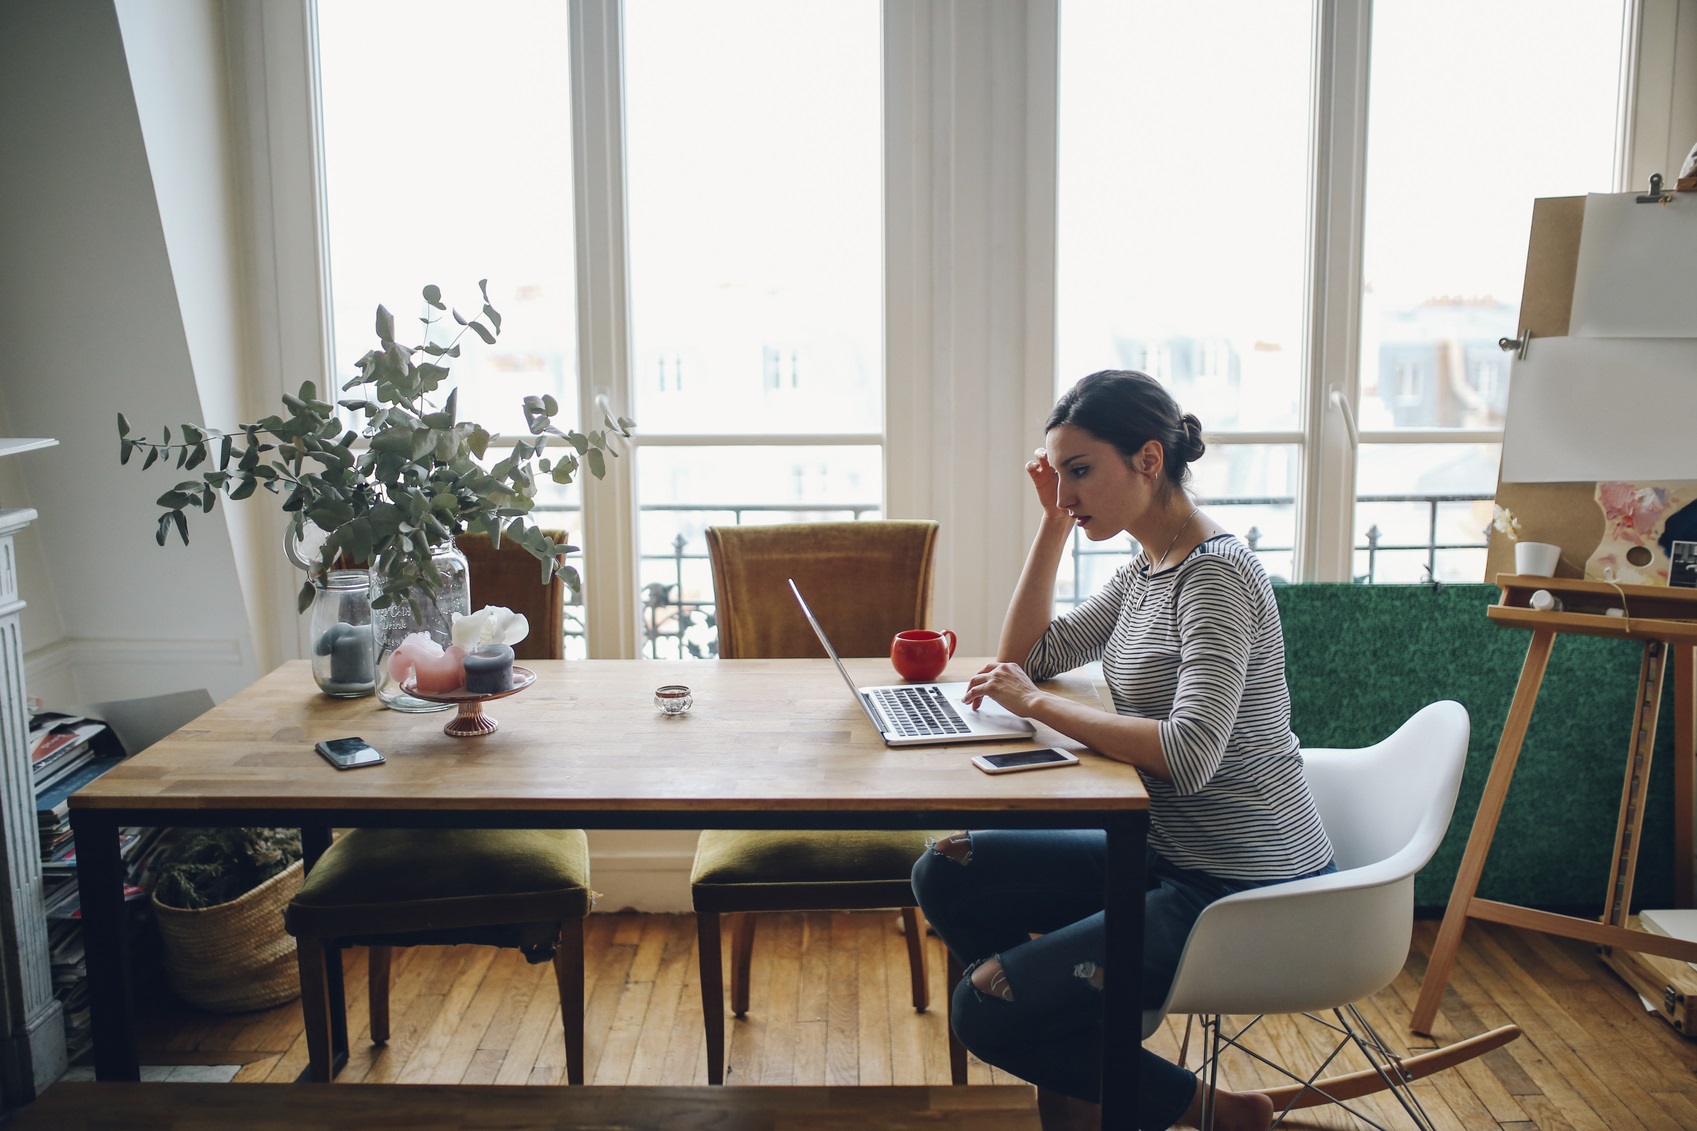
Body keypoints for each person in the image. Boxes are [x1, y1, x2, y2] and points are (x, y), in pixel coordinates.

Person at [911, 370, 1335, 1131]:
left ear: (1147, 458)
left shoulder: (1214, 577)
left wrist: (1036, 706)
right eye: (1059, 474)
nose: (1067, 491)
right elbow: (1028, 655)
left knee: (983, 1008)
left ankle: (1211, 1110)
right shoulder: (1148, 565)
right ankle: (1069, 1041)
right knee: (947, 866)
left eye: (1080, 472)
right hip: (1160, 849)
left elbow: (1189, 752)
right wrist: (1050, 524)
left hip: (1234, 882)